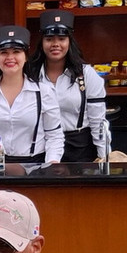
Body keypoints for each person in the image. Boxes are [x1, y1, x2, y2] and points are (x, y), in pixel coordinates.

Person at [0, 25, 64, 164]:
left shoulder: (43, 92)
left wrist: (51, 164)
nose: (10, 58)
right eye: (3, 52)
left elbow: (54, 135)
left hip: (35, 167)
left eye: (16, 51)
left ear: (26, 56)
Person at [27, 10, 107, 162]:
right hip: (41, 147)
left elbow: (98, 120)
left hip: (79, 148)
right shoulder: (30, 75)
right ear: (42, 42)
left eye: (62, 39)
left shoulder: (86, 74)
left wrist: (103, 156)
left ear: (70, 42)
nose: (55, 44)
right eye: (49, 39)